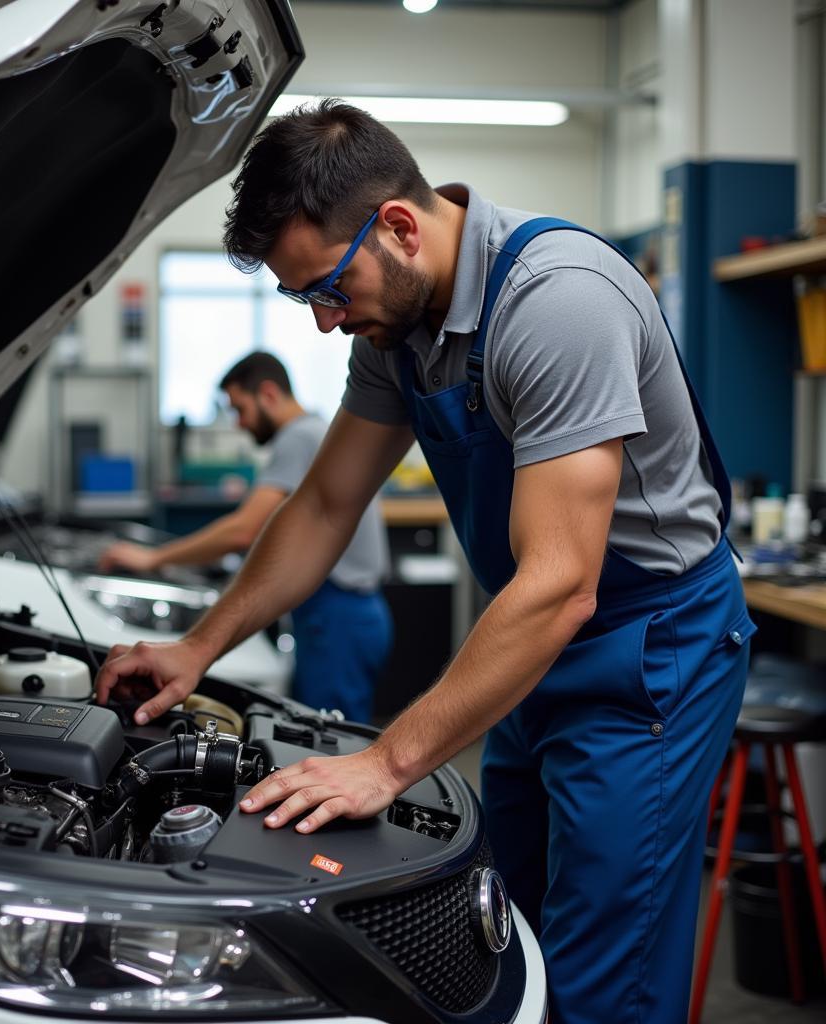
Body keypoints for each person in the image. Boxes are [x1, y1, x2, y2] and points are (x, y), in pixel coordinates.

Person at [95, 101, 754, 1024]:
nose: (324, 323)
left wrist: (387, 761)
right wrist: (198, 649)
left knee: (608, 967)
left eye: (326, 287)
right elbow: (322, 505)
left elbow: (564, 580)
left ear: (399, 227)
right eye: (303, 300)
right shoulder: (398, 330)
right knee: (501, 927)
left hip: (649, 648)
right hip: (531, 636)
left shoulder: (557, 300)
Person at [98, 351, 392, 723]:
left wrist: (153, 558)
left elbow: (244, 529)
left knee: (329, 744)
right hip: (348, 615)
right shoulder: (318, 430)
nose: (239, 423)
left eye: (240, 409)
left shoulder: (298, 437)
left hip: (337, 617)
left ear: (268, 394)